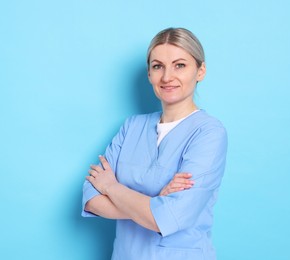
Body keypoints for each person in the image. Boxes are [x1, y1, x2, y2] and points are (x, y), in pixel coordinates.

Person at [81, 27, 228, 260]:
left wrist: (111, 187)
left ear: (200, 71)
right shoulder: (131, 127)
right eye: (158, 66)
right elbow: (91, 201)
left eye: (180, 65)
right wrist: (157, 201)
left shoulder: (208, 133)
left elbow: (169, 218)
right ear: (149, 74)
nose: (167, 77)